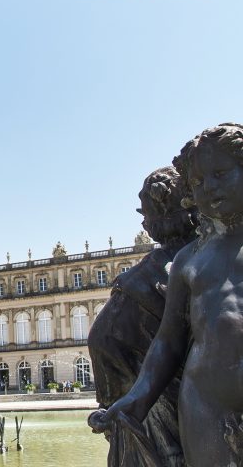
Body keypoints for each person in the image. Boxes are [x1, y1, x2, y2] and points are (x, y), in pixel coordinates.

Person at [89, 123, 243, 467]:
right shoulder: (189, 260)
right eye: (198, 182)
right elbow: (167, 341)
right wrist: (136, 399)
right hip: (206, 405)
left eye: (220, 173)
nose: (209, 187)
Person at [87, 166, 197, 466]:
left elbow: (101, 341)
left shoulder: (138, 280)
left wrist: (112, 406)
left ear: (149, 221)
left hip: (159, 416)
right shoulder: (221, 256)